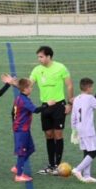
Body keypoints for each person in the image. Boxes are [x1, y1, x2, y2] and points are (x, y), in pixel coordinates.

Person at [27, 46, 74, 175]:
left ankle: (58, 166)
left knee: (58, 134)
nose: (39, 59)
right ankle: (51, 165)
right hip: (45, 107)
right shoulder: (37, 70)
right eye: (38, 57)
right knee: (48, 135)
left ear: (49, 56)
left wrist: (70, 103)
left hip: (59, 106)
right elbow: (28, 84)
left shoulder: (61, 68)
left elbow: (69, 85)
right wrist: (15, 83)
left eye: (41, 57)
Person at [11, 78, 57, 183]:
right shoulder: (24, 100)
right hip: (21, 130)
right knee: (22, 152)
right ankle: (19, 175)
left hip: (24, 129)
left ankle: (18, 166)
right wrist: (47, 104)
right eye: (30, 87)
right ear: (25, 89)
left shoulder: (21, 97)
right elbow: (35, 110)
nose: (32, 88)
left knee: (30, 148)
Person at [71, 78, 96, 183]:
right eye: (91, 87)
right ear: (88, 88)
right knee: (95, 150)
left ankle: (87, 175)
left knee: (87, 151)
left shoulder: (76, 99)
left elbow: (73, 116)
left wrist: (74, 130)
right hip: (88, 129)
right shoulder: (89, 98)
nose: (92, 89)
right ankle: (78, 169)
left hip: (80, 128)